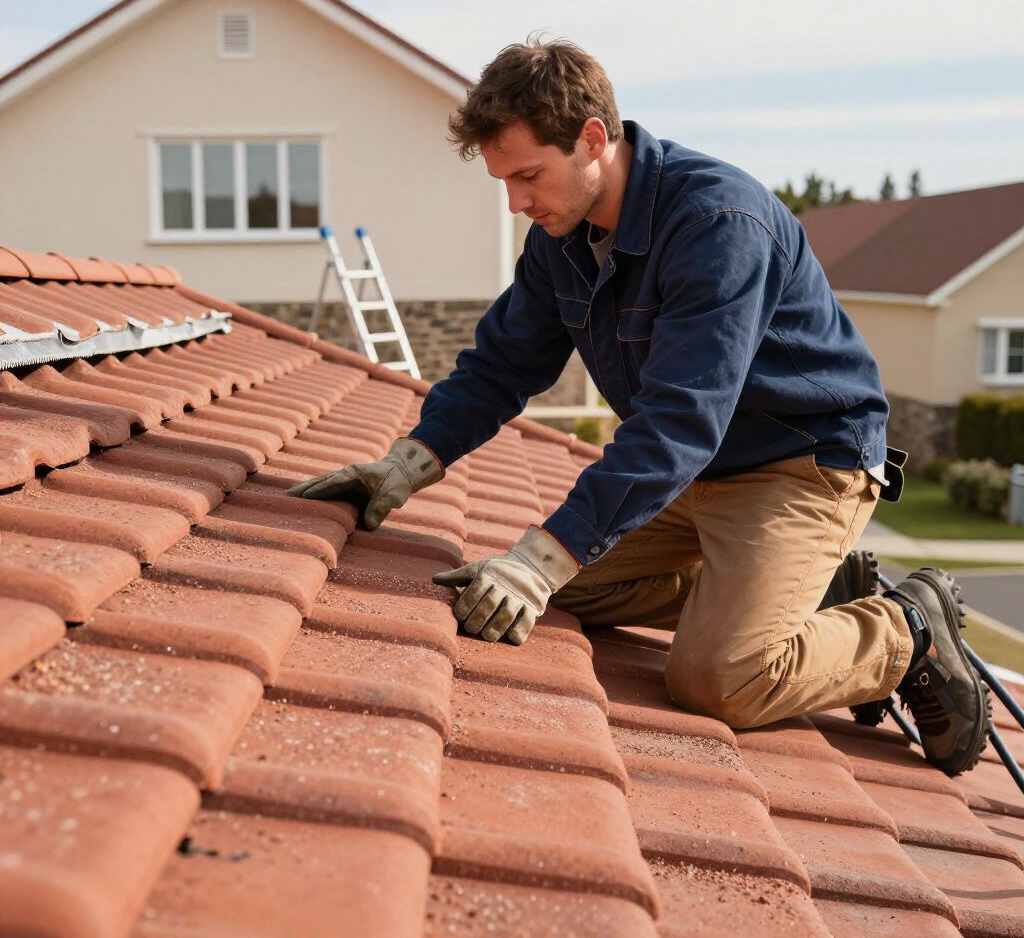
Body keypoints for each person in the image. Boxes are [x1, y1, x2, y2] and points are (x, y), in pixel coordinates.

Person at [288, 39, 989, 776]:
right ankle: (798, 590)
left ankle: (907, 628)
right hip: (694, 472)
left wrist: (540, 561)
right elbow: (501, 366)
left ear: (594, 138)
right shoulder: (560, 238)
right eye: (504, 182)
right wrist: (404, 465)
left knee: (719, 678)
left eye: (529, 176)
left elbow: (682, 419)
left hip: (801, 465)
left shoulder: (718, 225)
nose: (518, 203)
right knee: (551, 587)